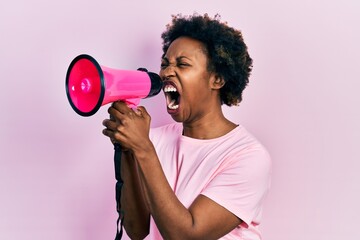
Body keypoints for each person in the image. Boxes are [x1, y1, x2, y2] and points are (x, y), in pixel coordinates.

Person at [102, 13, 271, 240]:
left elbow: (187, 235)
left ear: (217, 80)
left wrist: (142, 148)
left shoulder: (248, 156)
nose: (166, 72)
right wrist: (127, 148)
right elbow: (137, 229)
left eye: (182, 64)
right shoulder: (152, 140)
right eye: (165, 64)